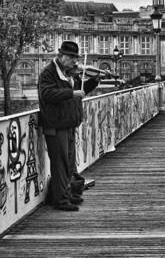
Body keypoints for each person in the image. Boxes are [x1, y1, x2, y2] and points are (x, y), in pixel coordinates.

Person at [38, 41, 101, 211]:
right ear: (61, 56)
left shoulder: (69, 74)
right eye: (71, 58)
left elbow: (81, 91)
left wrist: (94, 81)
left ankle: (67, 195)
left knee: (69, 164)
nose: (75, 62)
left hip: (69, 125)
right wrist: (71, 92)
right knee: (60, 164)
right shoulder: (49, 73)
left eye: (76, 58)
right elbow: (47, 94)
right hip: (56, 126)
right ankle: (60, 200)